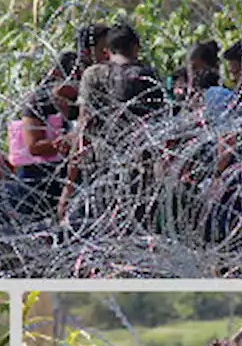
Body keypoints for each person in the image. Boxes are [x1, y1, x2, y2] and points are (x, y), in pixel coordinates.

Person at [59, 23, 165, 223]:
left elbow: (83, 129)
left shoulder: (94, 75)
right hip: (140, 170)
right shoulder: (148, 76)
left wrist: (69, 185)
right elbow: (159, 130)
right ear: (136, 47)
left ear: (107, 50)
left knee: (105, 232)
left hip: (102, 170)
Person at [10, 51, 78, 217]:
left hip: (60, 175)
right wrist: (67, 141)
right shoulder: (39, 102)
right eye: (74, 79)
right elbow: (33, 146)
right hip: (35, 178)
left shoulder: (76, 103)